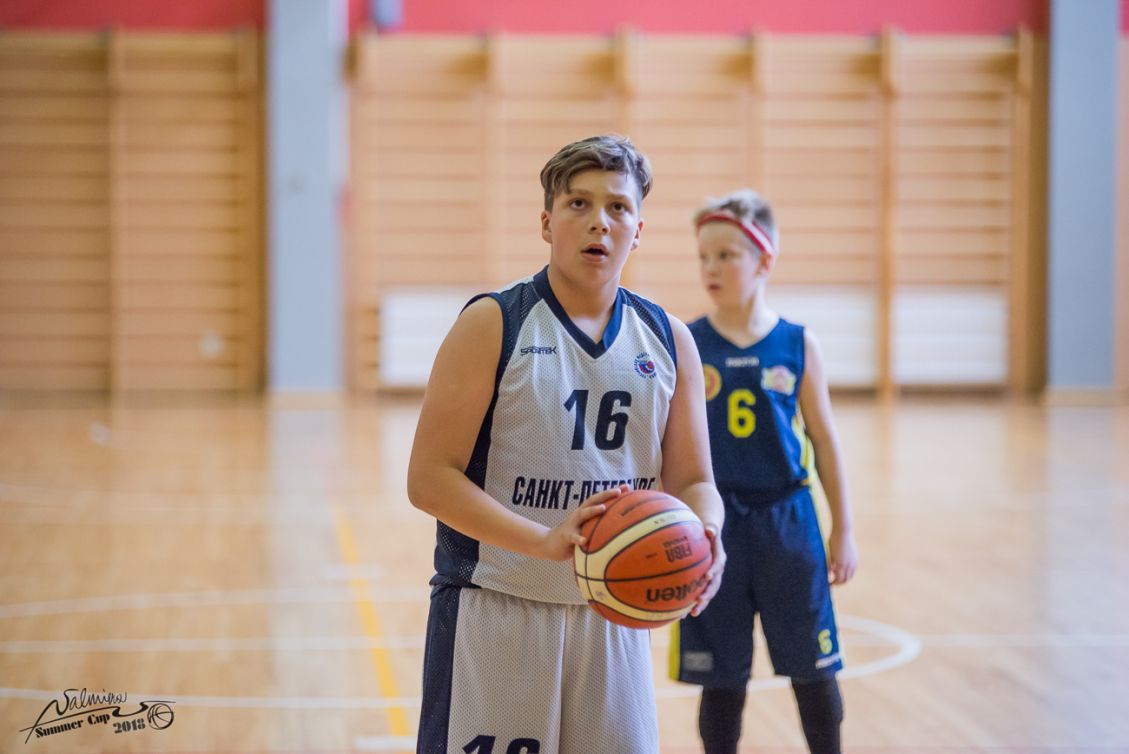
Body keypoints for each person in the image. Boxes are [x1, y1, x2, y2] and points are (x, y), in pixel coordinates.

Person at [407, 134, 727, 754]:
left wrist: (706, 533)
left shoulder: (669, 339)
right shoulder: (493, 323)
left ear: (638, 230)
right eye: (579, 204)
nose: (599, 222)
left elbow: (694, 481)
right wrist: (544, 541)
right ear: (547, 223)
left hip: (615, 616)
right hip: (497, 608)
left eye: (617, 207)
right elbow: (429, 479)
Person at [669, 189, 859, 754]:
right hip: (715, 523)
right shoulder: (687, 342)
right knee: (721, 680)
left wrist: (844, 528)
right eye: (704, 257)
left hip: (788, 522)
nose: (711, 268)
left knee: (814, 670)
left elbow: (824, 439)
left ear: (764, 260)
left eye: (726, 255)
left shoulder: (798, 344)